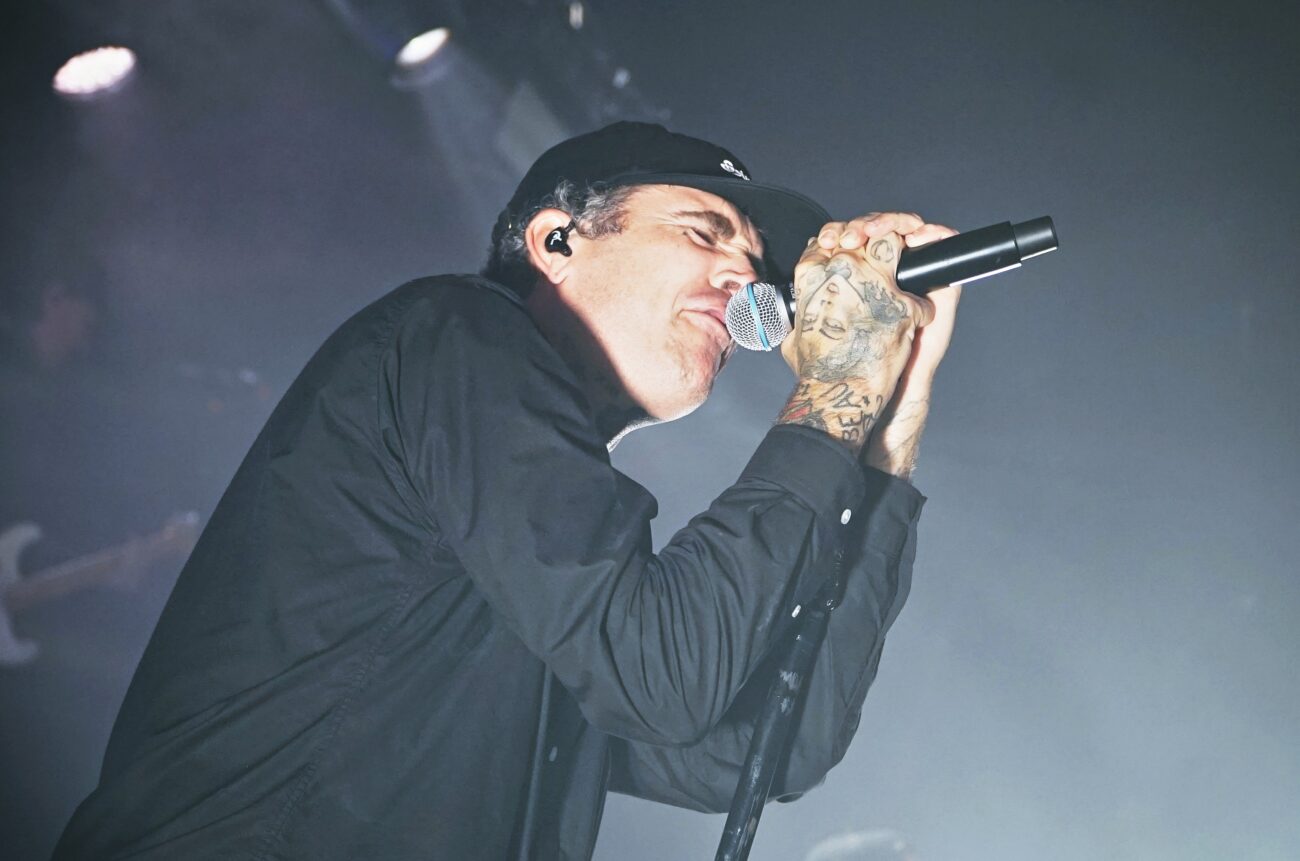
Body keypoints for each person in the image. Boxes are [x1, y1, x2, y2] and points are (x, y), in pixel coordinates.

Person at [52, 122, 960, 860]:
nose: (744, 277)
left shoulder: (534, 556)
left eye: (753, 260)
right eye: (703, 231)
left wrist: (887, 424)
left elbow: (764, 750)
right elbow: (662, 674)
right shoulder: (454, 334)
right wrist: (834, 384)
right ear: (556, 241)